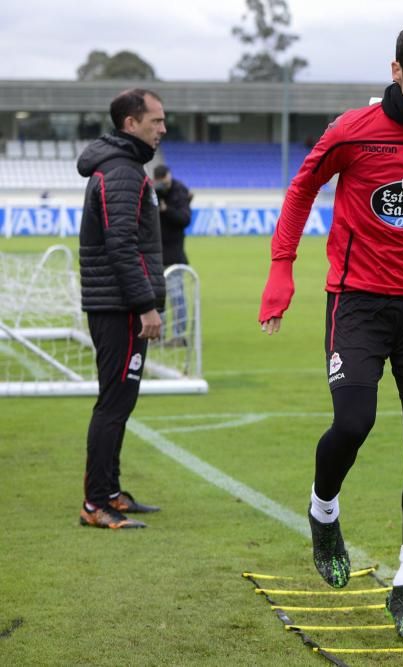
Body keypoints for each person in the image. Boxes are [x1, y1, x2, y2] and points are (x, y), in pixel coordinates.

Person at [258, 21, 403, 644]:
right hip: (357, 301)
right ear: (396, 70)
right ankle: (323, 510)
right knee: (354, 423)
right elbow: (302, 188)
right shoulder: (352, 130)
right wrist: (281, 269)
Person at [76, 88, 167, 529]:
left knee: (119, 401)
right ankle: (96, 503)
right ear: (130, 124)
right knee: (113, 403)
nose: (163, 129)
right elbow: (121, 245)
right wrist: (145, 306)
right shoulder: (122, 172)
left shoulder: (125, 168)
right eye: (155, 121)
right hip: (119, 306)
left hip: (117, 302)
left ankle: (109, 491)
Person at [152, 164, 193, 342]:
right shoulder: (151, 192)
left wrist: (166, 210)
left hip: (174, 254)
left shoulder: (179, 191)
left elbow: (184, 219)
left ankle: (178, 335)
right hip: (155, 254)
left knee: (177, 296)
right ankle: (157, 334)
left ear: (169, 176)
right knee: (156, 298)